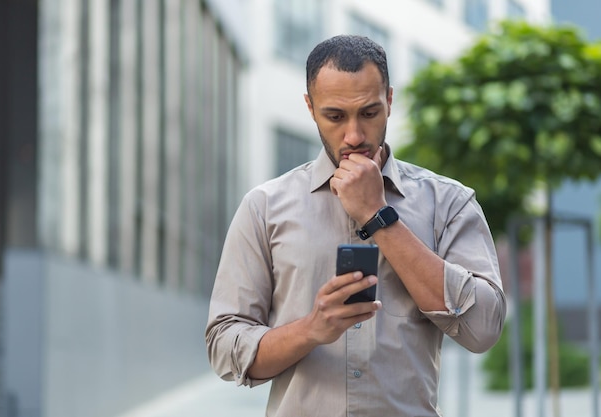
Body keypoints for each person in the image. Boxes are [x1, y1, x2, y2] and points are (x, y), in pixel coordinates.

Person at [205, 35, 506, 416]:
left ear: (390, 101)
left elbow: (484, 328)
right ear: (310, 108)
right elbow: (223, 347)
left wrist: (378, 217)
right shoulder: (264, 207)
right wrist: (311, 329)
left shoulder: (449, 202)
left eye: (369, 113)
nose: (354, 136)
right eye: (335, 116)